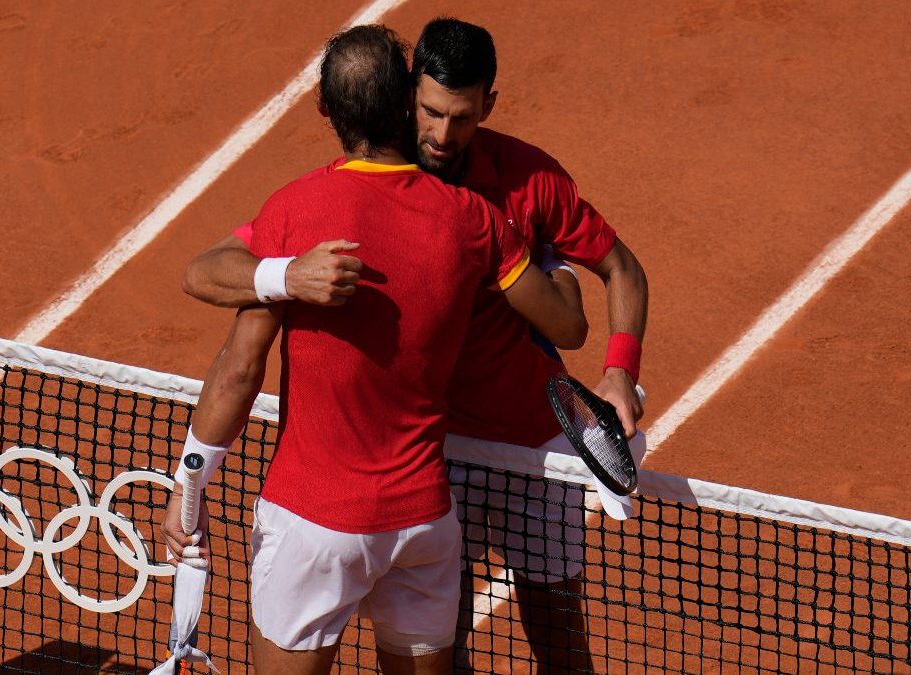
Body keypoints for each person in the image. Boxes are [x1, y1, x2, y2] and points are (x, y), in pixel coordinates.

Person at [182, 18, 649, 673]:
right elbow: (210, 272)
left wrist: (620, 371)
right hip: (439, 460)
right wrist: (288, 273)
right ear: (407, 98)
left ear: (486, 105)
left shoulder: (524, 184)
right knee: (442, 647)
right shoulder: (372, 208)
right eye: (429, 111)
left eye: (461, 117)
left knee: (559, 639)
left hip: (527, 446)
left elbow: (615, 277)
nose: (441, 133)